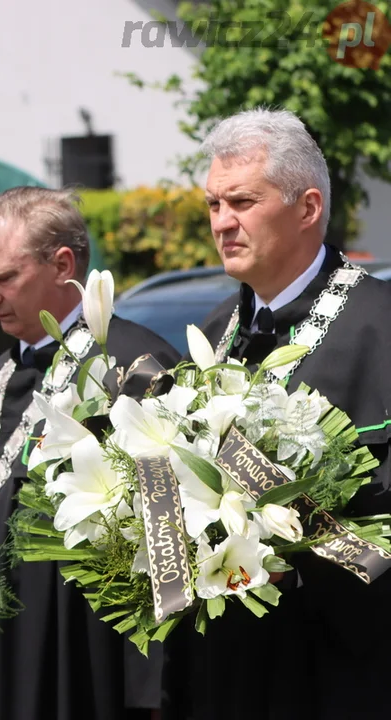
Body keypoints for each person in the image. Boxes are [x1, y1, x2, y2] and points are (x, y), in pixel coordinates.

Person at [160, 109, 391, 720]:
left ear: (308, 207)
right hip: (222, 672)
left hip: (342, 672)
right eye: (213, 204)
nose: (222, 222)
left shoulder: (382, 328)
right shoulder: (209, 338)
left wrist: (297, 559)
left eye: (242, 201)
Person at [0, 187, 181, 720]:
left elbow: (167, 536)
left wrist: (150, 686)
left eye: (3, 279)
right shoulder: (1, 374)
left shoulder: (135, 366)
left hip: (77, 655)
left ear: (63, 265)